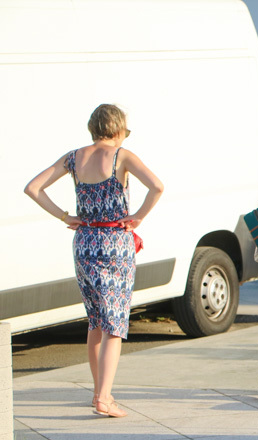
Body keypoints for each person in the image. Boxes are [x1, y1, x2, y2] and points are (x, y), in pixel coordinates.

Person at [24, 104, 164, 417]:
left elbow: (33, 188)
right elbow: (157, 186)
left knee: (96, 320)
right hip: (115, 242)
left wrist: (66, 216)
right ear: (118, 130)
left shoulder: (74, 157)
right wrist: (138, 216)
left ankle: (99, 391)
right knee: (114, 322)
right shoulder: (122, 156)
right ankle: (104, 398)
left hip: (85, 241)